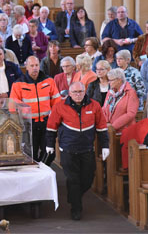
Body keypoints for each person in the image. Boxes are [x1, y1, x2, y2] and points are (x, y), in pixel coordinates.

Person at [45, 81, 109, 220]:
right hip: (68, 149)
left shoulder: (95, 105)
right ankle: (76, 209)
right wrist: (49, 145)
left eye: (80, 92)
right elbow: (51, 127)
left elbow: (102, 127)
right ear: (69, 93)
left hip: (87, 149)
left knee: (87, 179)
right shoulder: (59, 106)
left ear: (85, 91)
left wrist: (105, 146)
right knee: (73, 179)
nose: (78, 95)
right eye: (75, 92)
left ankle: (73, 196)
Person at [10, 56, 60, 164]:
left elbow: (57, 102)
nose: (35, 68)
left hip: (46, 123)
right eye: (32, 66)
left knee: (50, 152)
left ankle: (42, 169)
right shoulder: (18, 84)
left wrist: (56, 120)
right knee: (29, 154)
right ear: (26, 67)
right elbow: (13, 107)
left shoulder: (49, 81)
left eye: (36, 65)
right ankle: (35, 172)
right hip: (28, 124)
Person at [102, 68, 139, 133]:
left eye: (111, 80)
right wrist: (106, 123)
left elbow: (131, 114)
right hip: (109, 130)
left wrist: (113, 126)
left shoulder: (131, 93)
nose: (109, 82)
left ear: (119, 80)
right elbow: (104, 109)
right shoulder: (110, 92)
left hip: (125, 131)